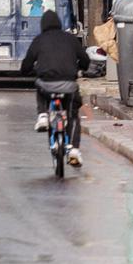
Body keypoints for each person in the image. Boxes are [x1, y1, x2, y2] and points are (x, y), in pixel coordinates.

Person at [20, 10, 90, 166]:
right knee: (72, 115)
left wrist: (33, 71)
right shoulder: (71, 39)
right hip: (69, 85)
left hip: (46, 85)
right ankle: (73, 149)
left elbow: (25, 66)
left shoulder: (39, 40)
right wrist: (78, 67)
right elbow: (85, 61)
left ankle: (43, 114)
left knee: (39, 85)